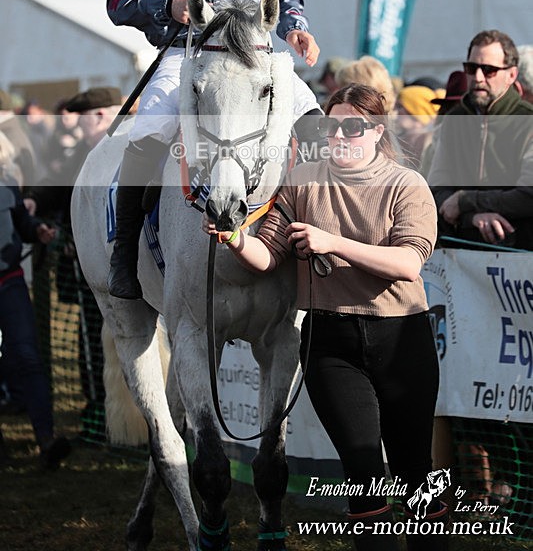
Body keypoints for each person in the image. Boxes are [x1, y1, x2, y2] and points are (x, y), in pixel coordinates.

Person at [204, 84, 447, 550]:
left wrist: (332, 243)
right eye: (331, 126)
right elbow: (267, 255)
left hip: (400, 337)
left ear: (377, 131)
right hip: (329, 338)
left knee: (414, 471)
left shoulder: (405, 184)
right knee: (361, 469)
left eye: (353, 126)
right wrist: (233, 236)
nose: (339, 135)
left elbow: (408, 263)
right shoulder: (301, 179)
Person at [106, 0, 322, 300]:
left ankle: (325, 238)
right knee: (147, 134)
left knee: (314, 121)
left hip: (255, 54)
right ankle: (124, 253)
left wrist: (295, 27)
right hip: (186, 53)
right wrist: (167, 7)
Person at [24, 87, 123, 442]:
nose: (77, 130)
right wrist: (34, 202)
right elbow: (55, 183)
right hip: (93, 273)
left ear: (99, 116)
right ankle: (100, 415)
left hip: (133, 272)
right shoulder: (84, 152)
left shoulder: (136, 145)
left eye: (81, 122)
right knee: (91, 343)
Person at [0, 131, 71, 469]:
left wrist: (37, 230)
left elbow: (20, 223)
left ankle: (47, 441)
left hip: (9, 281)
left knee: (28, 358)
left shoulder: (8, 180)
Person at [428, 29, 533, 249]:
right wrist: (471, 217)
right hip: (460, 253)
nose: (478, 78)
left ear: (511, 75)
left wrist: (465, 200)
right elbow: (436, 191)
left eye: (489, 70)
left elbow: (527, 196)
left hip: (519, 257)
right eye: (471, 68)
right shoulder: (454, 119)